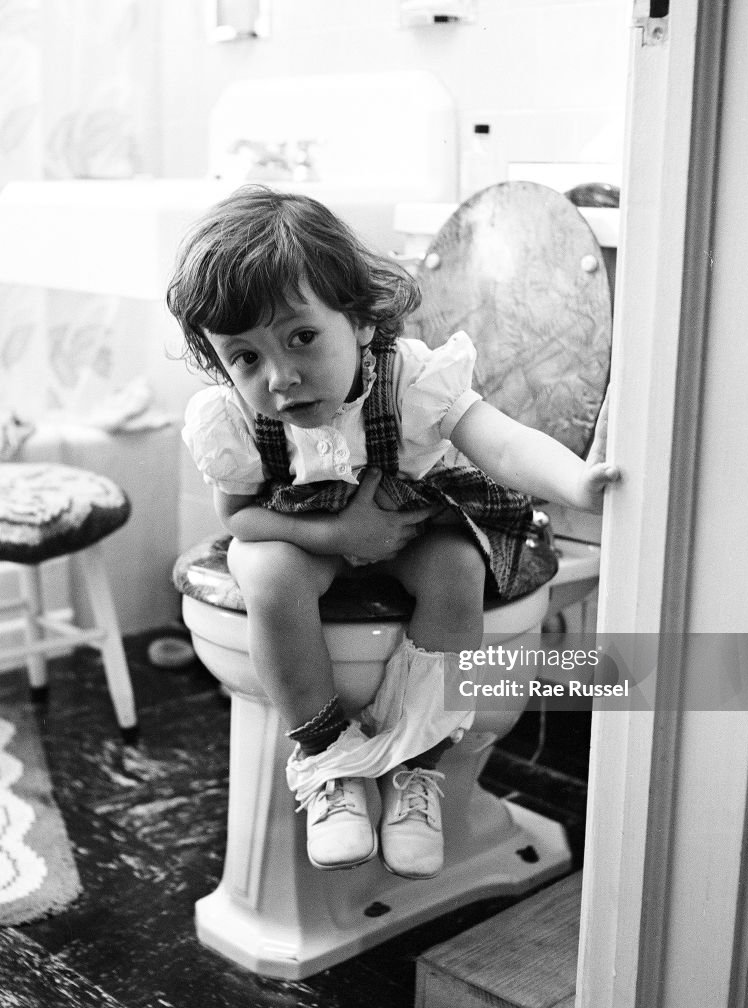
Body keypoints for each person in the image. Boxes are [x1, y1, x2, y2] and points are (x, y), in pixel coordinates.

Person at [168, 186, 619, 880]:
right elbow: (238, 519)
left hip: (415, 528)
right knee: (264, 569)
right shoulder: (232, 421)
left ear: (356, 318)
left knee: (457, 571)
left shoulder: (412, 378)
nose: (281, 377)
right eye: (246, 358)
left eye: (301, 338)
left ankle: (417, 769)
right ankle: (329, 761)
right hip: (310, 540)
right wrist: (341, 532)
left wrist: (576, 482)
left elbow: (500, 443)